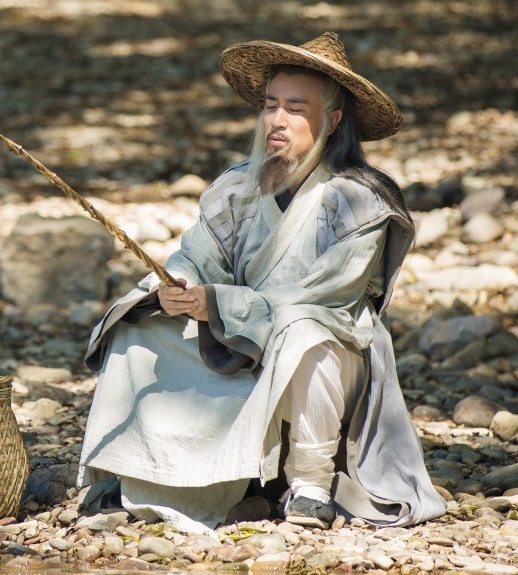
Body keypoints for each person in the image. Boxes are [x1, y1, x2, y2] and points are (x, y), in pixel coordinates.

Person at [77, 32, 445, 534]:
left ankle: (311, 486)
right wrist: (176, 287)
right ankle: (146, 473)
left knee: (304, 332)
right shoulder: (237, 186)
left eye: (296, 108)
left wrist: (220, 305)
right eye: (271, 105)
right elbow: (196, 256)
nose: (277, 120)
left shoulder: (361, 201)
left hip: (331, 352)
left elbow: (322, 299)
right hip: (241, 335)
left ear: (332, 120)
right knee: (140, 326)